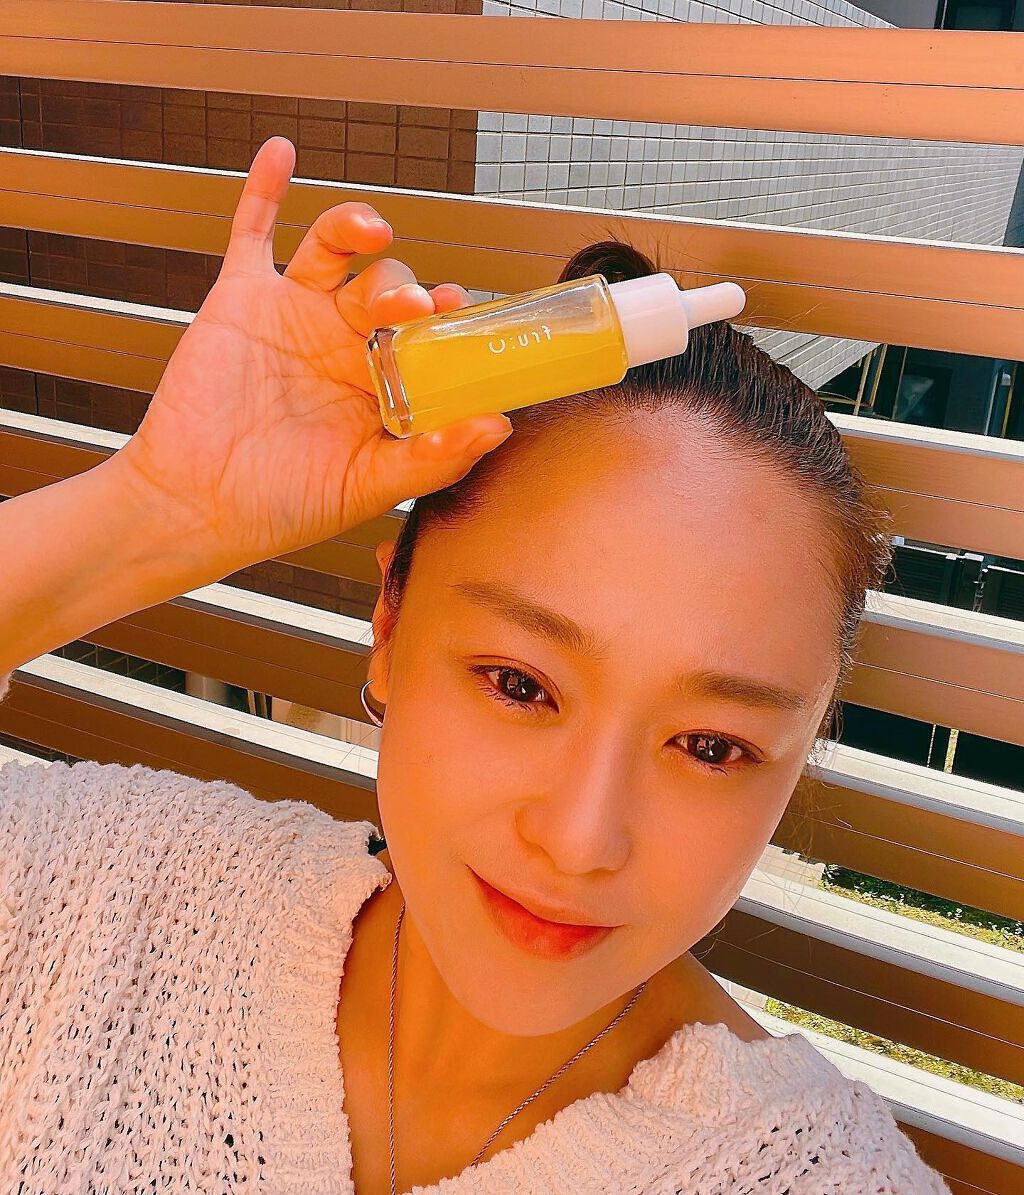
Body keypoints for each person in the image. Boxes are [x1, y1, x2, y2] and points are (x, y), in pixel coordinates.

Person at [0, 136, 950, 1194]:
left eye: (711, 746)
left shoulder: (823, 1178)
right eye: (520, 684)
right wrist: (153, 511)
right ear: (391, 624)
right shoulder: (109, 894)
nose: (579, 839)